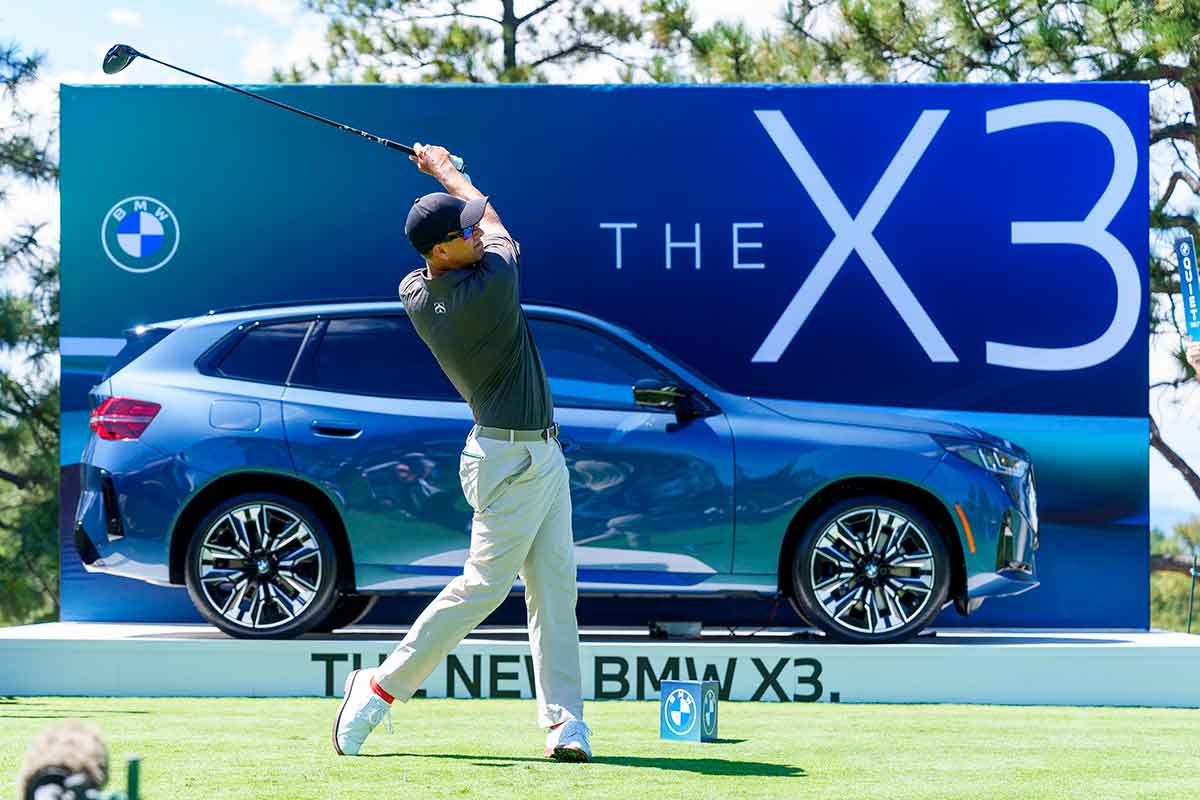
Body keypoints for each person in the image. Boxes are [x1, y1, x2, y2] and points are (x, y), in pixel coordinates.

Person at [332, 143, 589, 762]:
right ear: (444, 249)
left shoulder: (416, 289)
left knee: (555, 589)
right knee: (484, 587)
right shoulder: (493, 285)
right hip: (511, 460)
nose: (476, 229)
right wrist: (445, 169)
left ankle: (564, 724)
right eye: (463, 230)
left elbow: (473, 235)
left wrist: (450, 194)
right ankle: (379, 688)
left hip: (534, 455)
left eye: (472, 223)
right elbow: (501, 232)